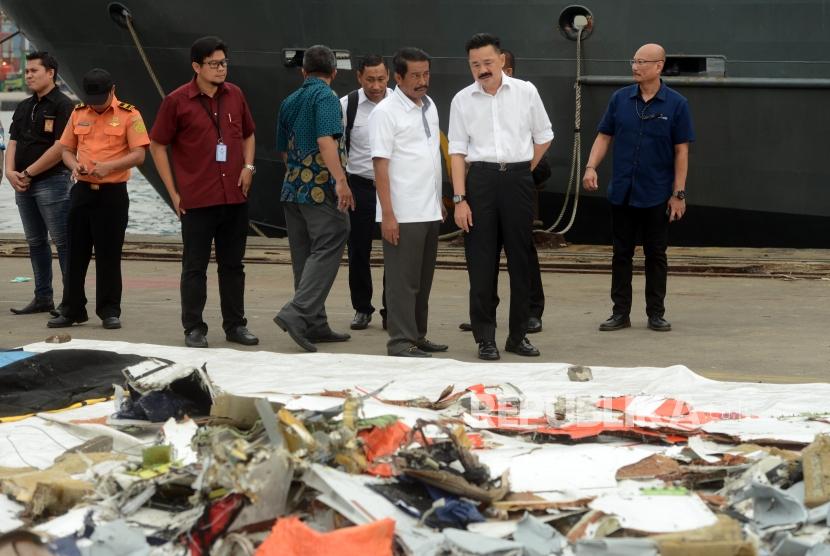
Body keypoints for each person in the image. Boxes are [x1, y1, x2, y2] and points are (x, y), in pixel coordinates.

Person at [149, 36, 259, 348]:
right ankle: (194, 328)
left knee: (233, 266)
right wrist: (173, 192)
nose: (221, 69)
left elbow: (249, 134)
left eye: (224, 63)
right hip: (197, 199)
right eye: (214, 64)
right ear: (197, 66)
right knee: (195, 267)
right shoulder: (177, 101)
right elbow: (157, 145)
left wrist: (248, 167)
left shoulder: (235, 95)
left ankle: (236, 325)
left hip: (234, 196)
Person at [448, 33, 553, 361]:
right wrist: (459, 199)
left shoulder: (526, 92)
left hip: (518, 179)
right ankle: (485, 338)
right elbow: (456, 152)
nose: (482, 69)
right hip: (479, 180)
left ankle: (518, 335)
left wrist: (523, 168)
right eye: (475, 64)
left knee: (520, 260)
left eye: (488, 63)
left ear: (501, 61)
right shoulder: (462, 100)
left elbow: (544, 135)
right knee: (480, 262)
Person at [583, 43, 694, 332]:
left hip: (656, 194)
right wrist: (590, 167)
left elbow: (681, 151)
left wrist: (678, 194)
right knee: (621, 254)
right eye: (633, 61)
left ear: (659, 66)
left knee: (656, 255)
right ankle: (620, 313)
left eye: (642, 62)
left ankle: (656, 313)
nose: (635, 66)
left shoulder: (676, 104)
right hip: (623, 192)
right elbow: (604, 136)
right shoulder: (620, 99)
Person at [47, 68, 149, 329]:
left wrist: (110, 167)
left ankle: (109, 310)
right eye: (93, 99)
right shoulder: (79, 112)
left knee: (108, 254)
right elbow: (66, 150)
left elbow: (139, 154)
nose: (97, 104)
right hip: (81, 191)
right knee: (75, 253)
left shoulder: (129, 114)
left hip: (112, 194)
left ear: (112, 90)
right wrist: (74, 166)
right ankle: (71, 309)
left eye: (101, 99)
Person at [274, 45, 354, 353]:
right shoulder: (327, 97)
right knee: (334, 236)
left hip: (292, 186)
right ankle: (297, 313)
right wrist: (340, 180)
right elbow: (325, 140)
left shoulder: (289, 101)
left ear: (303, 71)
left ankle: (314, 324)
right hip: (319, 187)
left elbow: (283, 148)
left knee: (304, 254)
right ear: (334, 72)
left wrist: (298, 173)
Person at [369, 47, 446, 358]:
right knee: (403, 282)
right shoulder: (385, 113)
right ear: (398, 77)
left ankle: (418, 334)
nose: (422, 80)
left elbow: (431, 157)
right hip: (402, 210)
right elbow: (380, 165)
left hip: (428, 208)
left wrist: (439, 197)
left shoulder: (429, 106)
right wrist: (388, 214)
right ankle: (400, 341)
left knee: (423, 280)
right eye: (415, 75)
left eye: (426, 74)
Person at [5, 51, 73, 316]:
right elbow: (13, 141)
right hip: (23, 185)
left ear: (51, 73)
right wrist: (10, 172)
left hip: (52, 182)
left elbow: (61, 147)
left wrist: (30, 172)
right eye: (27, 71)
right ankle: (43, 297)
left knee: (63, 242)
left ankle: (71, 300)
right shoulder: (24, 106)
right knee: (35, 242)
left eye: (34, 70)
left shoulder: (63, 105)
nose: (29, 75)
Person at [340, 54, 392, 331]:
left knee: (394, 250)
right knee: (359, 249)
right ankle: (362, 308)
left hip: (394, 188)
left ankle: (391, 309)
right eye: (370, 79)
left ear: (390, 77)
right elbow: (336, 147)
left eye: (381, 79)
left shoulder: (400, 104)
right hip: (359, 186)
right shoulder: (346, 105)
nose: (376, 85)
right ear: (359, 77)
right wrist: (342, 183)